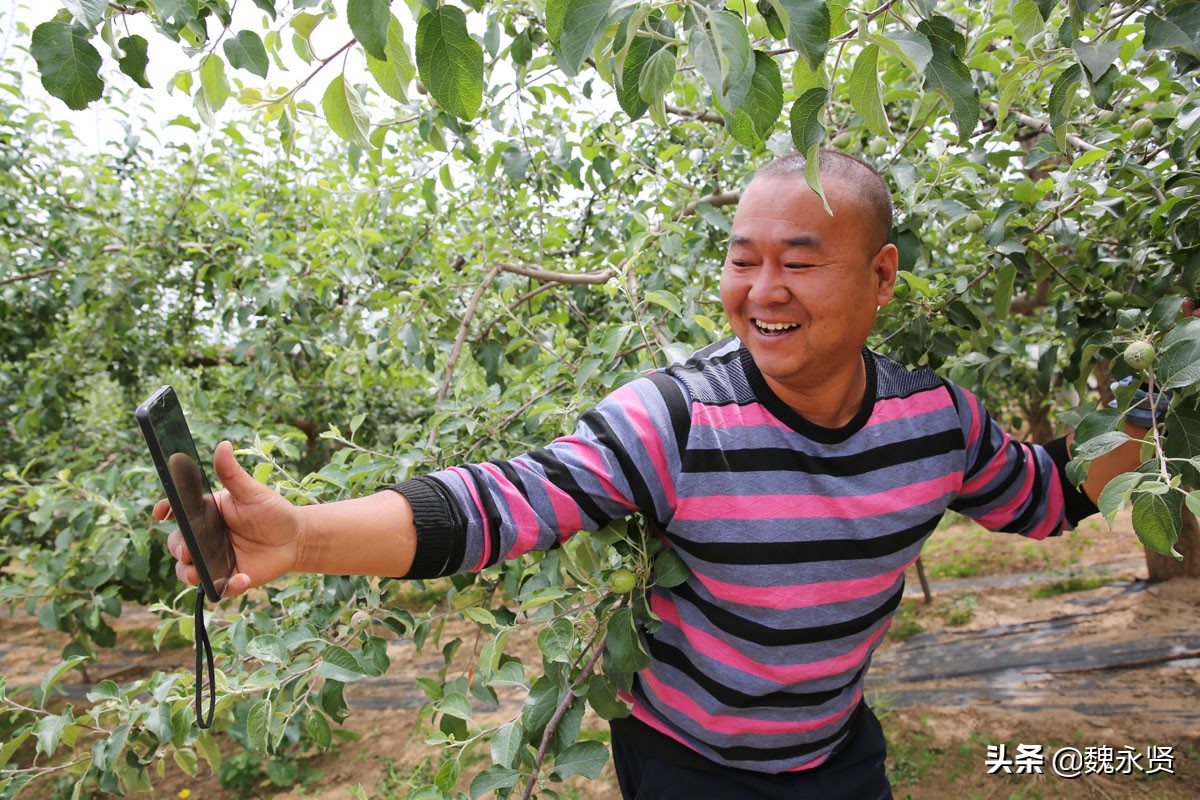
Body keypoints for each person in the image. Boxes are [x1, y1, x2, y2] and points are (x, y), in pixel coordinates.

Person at [157, 150, 1166, 799]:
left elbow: (1057, 493)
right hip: (687, 765)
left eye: (800, 261)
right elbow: (506, 499)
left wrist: (1164, 389)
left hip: (835, 755)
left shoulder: (934, 421)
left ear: (883, 274)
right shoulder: (678, 418)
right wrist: (307, 536)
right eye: (741, 258)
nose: (761, 290)